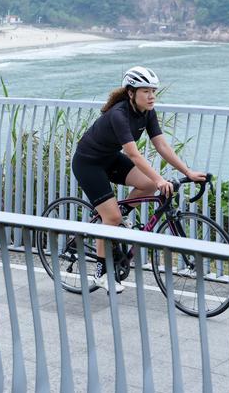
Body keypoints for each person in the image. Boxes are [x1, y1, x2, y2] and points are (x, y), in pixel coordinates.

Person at [71, 66, 207, 293]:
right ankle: (101, 273)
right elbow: (134, 154)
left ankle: (118, 216)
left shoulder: (147, 112)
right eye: (146, 91)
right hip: (88, 164)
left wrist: (188, 172)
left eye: (154, 91)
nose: (152, 96)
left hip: (110, 159)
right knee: (111, 217)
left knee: (148, 184)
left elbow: (161, 145)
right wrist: (161, 179)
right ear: (131, 92)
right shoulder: (119, 114)